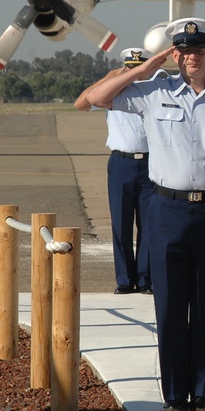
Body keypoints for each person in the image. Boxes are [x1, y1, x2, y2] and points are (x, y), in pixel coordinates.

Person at [86, 18, 205, 411]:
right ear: (175, 55)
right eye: (183, 51)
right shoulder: (153, 91)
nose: (191, 58)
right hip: (165, 209)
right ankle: (175, 394)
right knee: (168, 304)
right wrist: (146, 68)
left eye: (198, 51)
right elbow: (97, 98)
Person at [75, 47, 154, 295]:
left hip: (152, 163)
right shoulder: (112, 92)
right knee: (121, 224)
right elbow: (81, 104)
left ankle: (145, 279)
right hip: (122, 162)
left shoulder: (153, 91)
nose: (134, 73)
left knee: (148, 225)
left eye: (138, 68)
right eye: (129, 68)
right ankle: (123, 279)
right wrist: (108, 78)